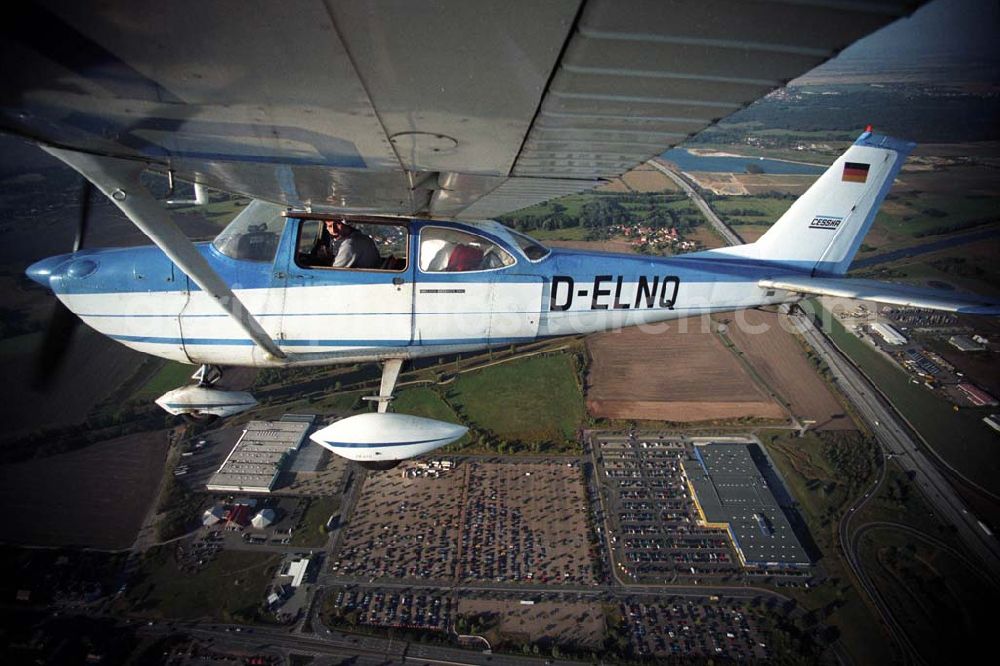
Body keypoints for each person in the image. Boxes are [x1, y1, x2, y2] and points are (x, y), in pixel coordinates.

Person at [312, 218, 381, 269]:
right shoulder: (363, 238)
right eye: (329, 226)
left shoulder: (350, 244)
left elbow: (334, 272)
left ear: (346, 224)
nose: (334, 230)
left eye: (338, 224)